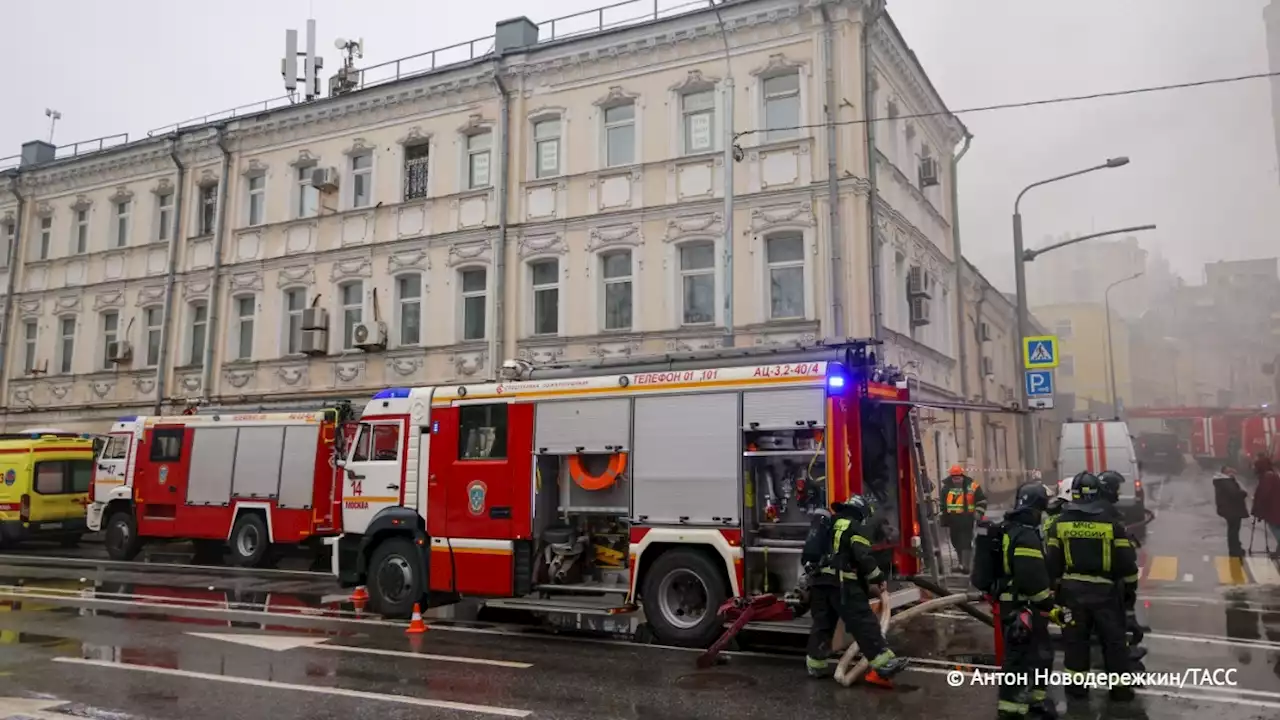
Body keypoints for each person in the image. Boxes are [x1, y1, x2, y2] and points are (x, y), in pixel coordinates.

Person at [1046, 472, 1140, 702]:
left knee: (1075, 644)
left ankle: (1077, 692)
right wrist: (1128, 597)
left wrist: (1056, 595)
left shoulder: (1059, 525)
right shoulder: (1111, 525)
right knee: (1114, 643)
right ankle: (1120, 690)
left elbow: (1052, 566)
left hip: (1071, 595)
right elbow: (1127, 566)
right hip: (1106, 595)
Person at [803, 494, 909, 685]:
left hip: (818, 582)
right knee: (863, 622)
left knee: (823, 625)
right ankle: (883, 663)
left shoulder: (829, 522)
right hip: (843, 584)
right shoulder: (855, 527)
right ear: (862, 512)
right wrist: (878, 578)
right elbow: (863, 556)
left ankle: (815, 665)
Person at [991, 482, 1065, 720]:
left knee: (1036, 655)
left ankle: (1034, 700)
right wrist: (1048, 605)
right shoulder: (1025, 535)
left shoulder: (1014, 528)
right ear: (1037, 504)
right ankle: (1011, 710)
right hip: (1021, 606)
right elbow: (1030, 577)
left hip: (1018, 604)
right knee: (1019, 659)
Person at [941, 465, 988, 573]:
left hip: (967, 519)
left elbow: (982, 500)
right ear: (951, 477)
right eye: (954, 477)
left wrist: (979, 512)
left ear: (962, 476)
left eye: (958, 477)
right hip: (953, 520)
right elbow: (943, 505)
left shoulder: (972, 486)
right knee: (956, 542)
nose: (956, 480)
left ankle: (967, 565)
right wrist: (943, 518)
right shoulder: (946, 488)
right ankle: (962, 564)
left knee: (966, 542)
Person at [1213, 467, 1249, 558]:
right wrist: (1243, 493)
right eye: (1230, 471)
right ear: (1225, 472)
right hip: (1232, 509)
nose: (1233, 472)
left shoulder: (1224, 481)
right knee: (1234, 530)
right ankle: (1235, 550)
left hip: (1230, 509)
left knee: (1233, 529)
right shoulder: (1226, 481)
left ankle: (1236, 547)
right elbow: (1234, 493)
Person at [1251, 454, 1280, 558]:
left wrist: (1258, 508)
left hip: (1274, 509)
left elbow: (1264, 495)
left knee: (1275, 528)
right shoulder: (1272, 475)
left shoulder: (1268, 477)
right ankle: (1278, 551)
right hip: (1275, 508)